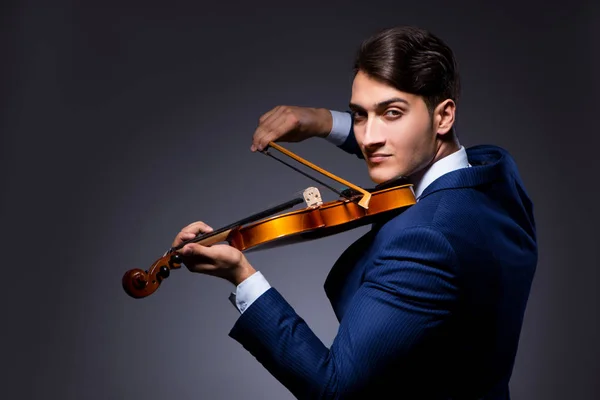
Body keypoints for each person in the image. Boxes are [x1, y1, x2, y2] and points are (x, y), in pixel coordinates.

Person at [172, 26, 537, 399]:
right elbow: (406, 147)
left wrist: (241, 275)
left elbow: (333, 388)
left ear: (443, 117)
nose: (368, 137)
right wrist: (321, 121)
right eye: (360, 115)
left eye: (391, 113)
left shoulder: (425, 240)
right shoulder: (495, 173)